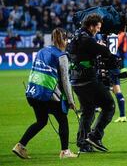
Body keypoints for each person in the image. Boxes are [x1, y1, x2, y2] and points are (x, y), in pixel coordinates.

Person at [12, 28, 77, 159]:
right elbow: (65, 81)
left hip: (34, 92)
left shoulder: (42, 50)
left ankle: (20, 146)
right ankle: (65, 151)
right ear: (64, 40)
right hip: (48, 95)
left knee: (41, 121)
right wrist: (71, 101)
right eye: (66, 40)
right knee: (63, 120)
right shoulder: (62, 56)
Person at [67, 14, 115, 153]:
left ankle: (83, 144)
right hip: (87, 80)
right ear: (91, 25)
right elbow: (104, 51)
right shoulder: (86, 39)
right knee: (109, 106)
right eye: (98, 28)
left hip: (76, 81)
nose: (98, 31)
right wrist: (103, 48)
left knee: (88, 111)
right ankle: (95, 136)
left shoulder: (76, 35)